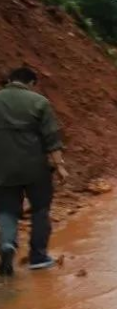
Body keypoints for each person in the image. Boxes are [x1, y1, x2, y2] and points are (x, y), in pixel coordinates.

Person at [0, 67, 69, 276]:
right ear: (31, 83)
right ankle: (38, 257)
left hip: (3, 167)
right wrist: (60, 167)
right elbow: (51, 138)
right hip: (35, 167)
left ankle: (7, 243)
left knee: (7, 209)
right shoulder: (39, 102)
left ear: (10, 80)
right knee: (40, 209)